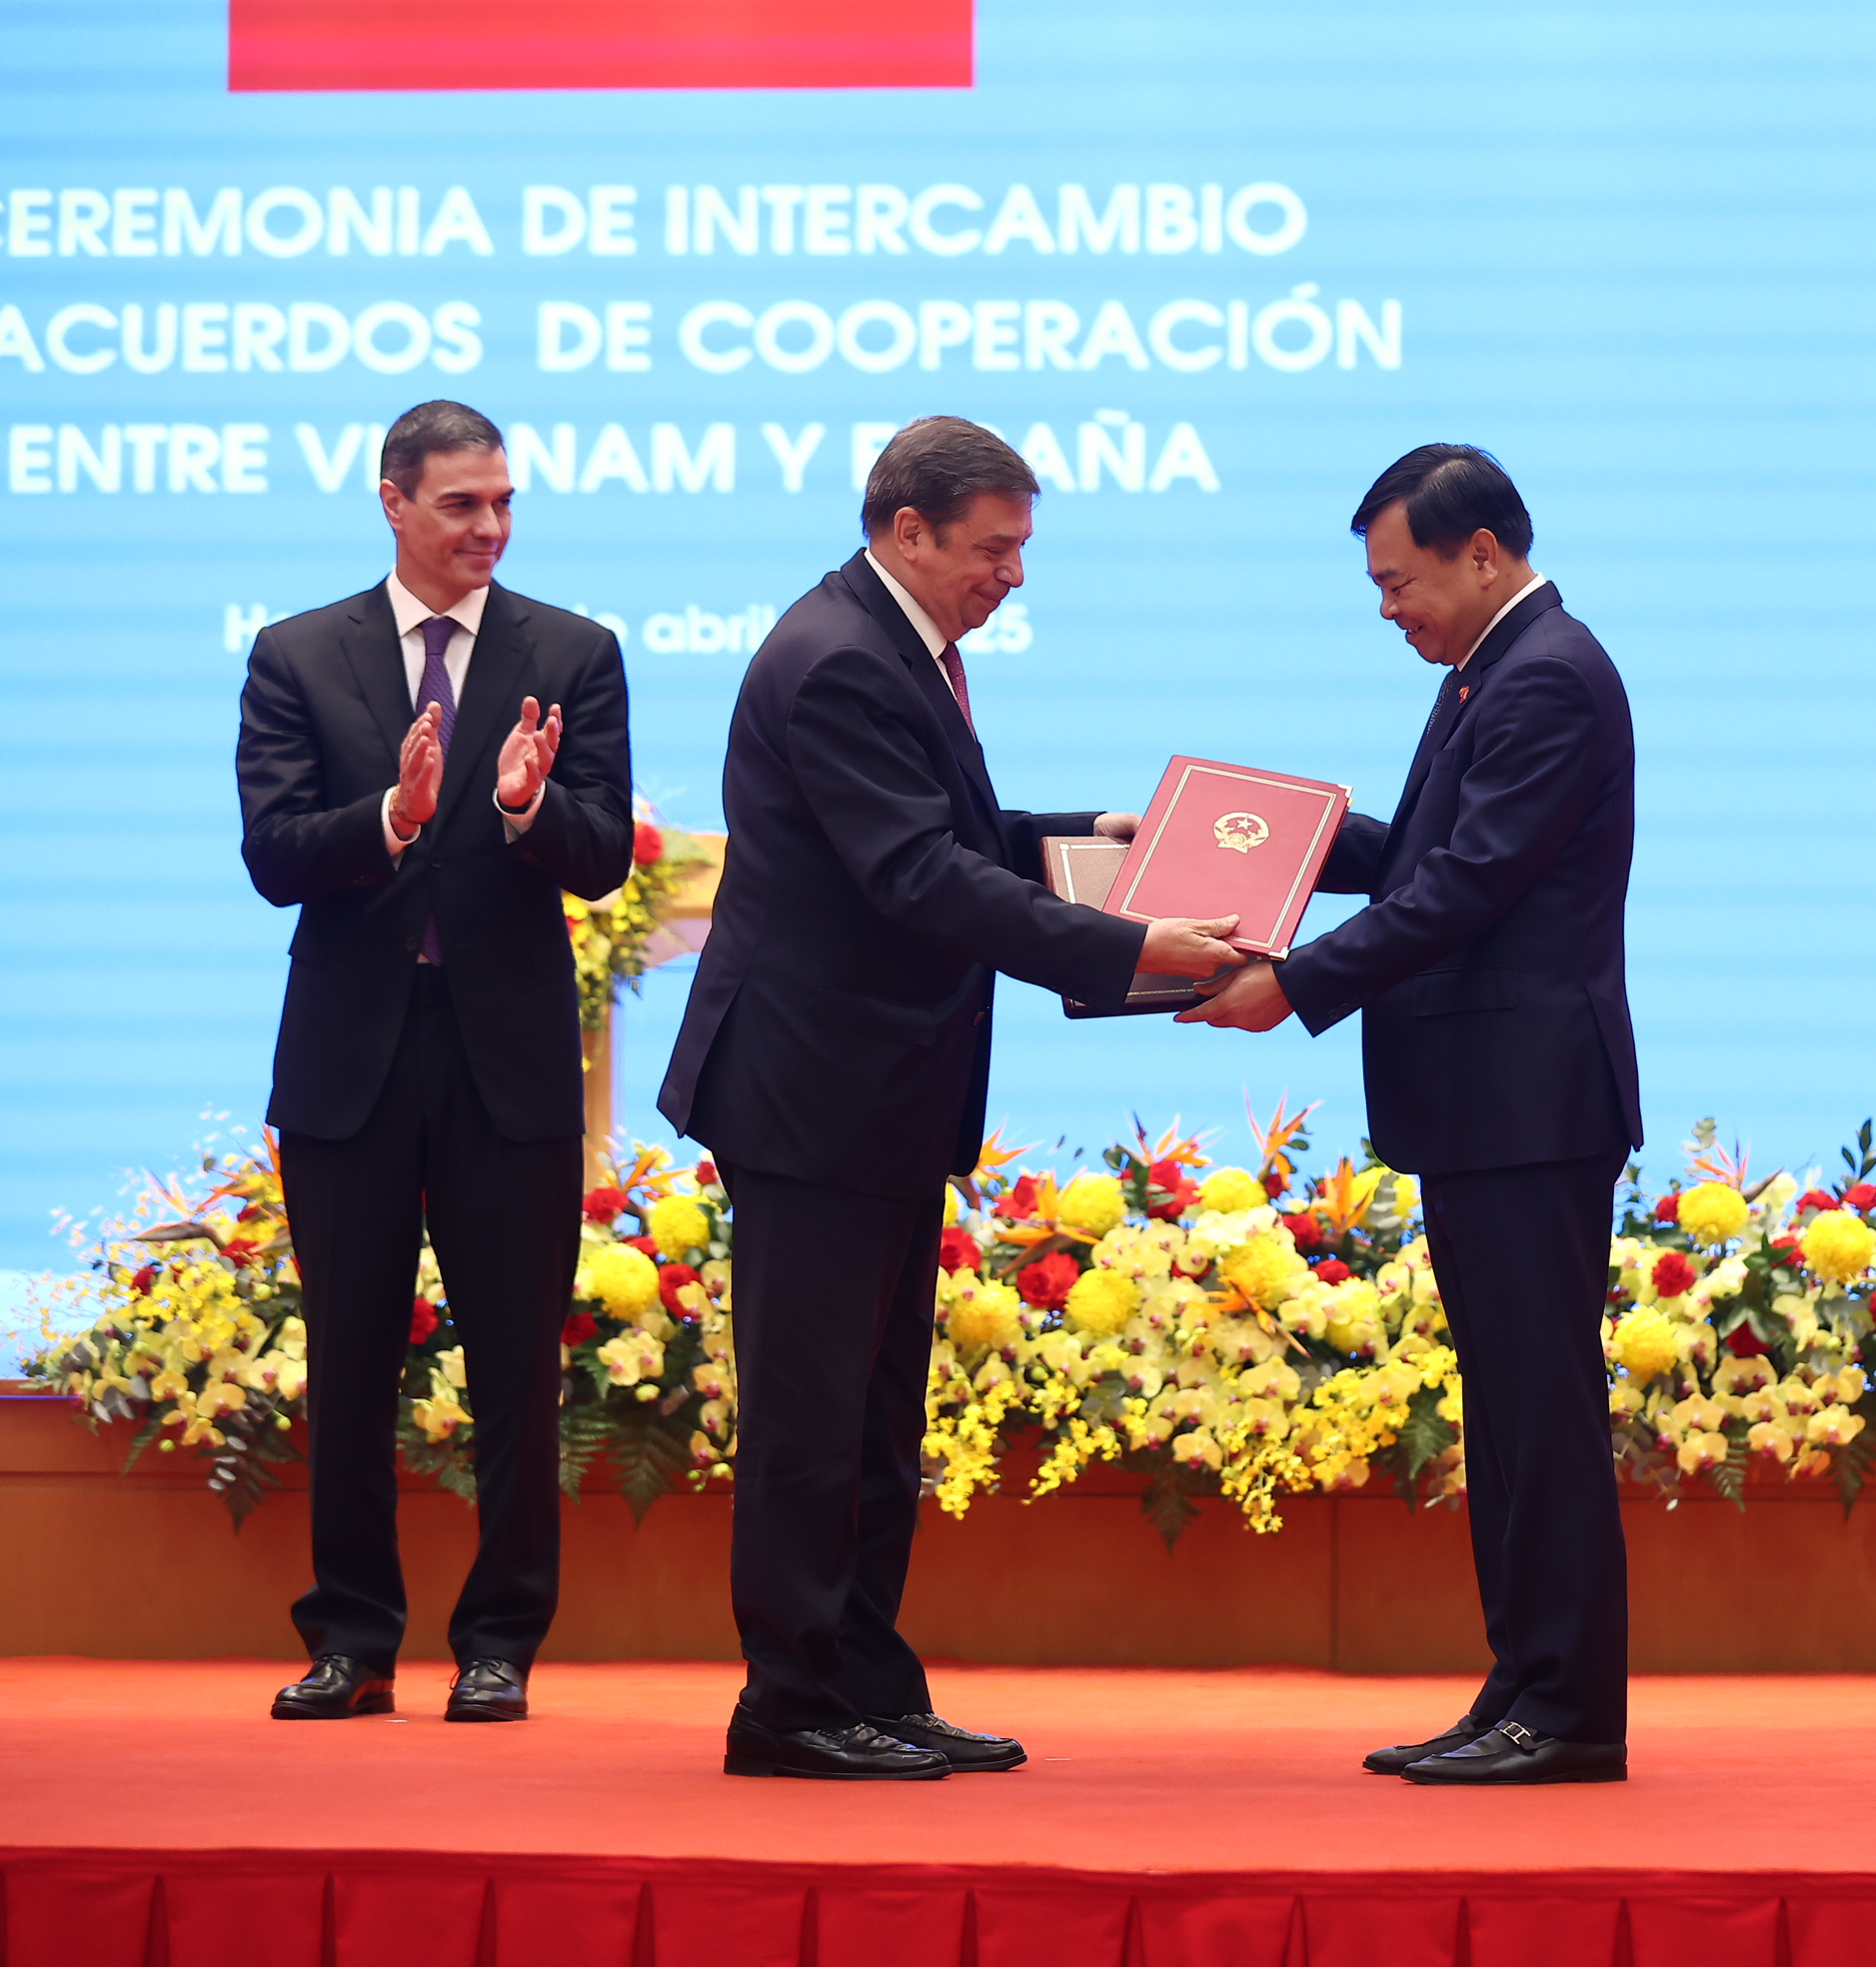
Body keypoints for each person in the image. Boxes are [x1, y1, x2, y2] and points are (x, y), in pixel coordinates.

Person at [657, 416, 1244, 1781]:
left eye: (1021, 547)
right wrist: (1127, 943)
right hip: (812, 1100)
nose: (1013, 575)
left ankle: (865, 1682)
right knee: (812, 1425)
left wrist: (1087, 843)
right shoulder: (838, 660)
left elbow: (946, 836)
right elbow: (914, 875)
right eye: (995, 548)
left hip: (870, 1100)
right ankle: (789, 1709)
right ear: (906, 530)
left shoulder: (887, 642)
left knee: (872, 1419)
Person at [1182, 444, 1639, 1785]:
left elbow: (1468, 886)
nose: (1388, 608)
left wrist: (1292, 983)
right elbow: (1423, 858)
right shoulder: (1495, 666)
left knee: (1540, 1415)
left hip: (1527, 1104)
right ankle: (1524, 1686)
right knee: (1508, 1416)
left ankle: (1567, 1713)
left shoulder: (1546, 675)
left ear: (1481, 553)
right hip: (1487, 1106)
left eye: (1400, 582)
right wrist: (1248, 836)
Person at [237, 399, 634, 1723]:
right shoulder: (299, 655)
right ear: (394, 501)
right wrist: (391, 818)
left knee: (516, 1365)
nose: (491, 527)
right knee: (350, 1362)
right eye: (463, 503)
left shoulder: (571, 652)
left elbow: (599, 855)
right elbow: (274, 855)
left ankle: (501, 1641)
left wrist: (524, 804)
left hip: (506, 1062)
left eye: (505, 501)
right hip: (349, 1058)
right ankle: (351, 1642)